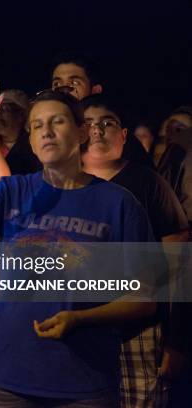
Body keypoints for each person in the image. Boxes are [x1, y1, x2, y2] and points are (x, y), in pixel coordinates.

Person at [0, 87, 157, 407]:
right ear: (30, 140)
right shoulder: (12, 191)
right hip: (9, 373)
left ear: (81, 131)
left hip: (84, 379)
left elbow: (145, 300)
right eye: (37, 125)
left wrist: (80, 319)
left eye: (57, 121)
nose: (46, 131)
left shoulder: (118, 203)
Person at [81, 95, 189, 407]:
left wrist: (176, 341)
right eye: (88, 124)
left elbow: (179, 265)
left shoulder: (148, 184)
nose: (98, 131)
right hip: (78, 326)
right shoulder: (62, 184)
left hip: (137, 333)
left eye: (107, 123)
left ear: (124, 135)